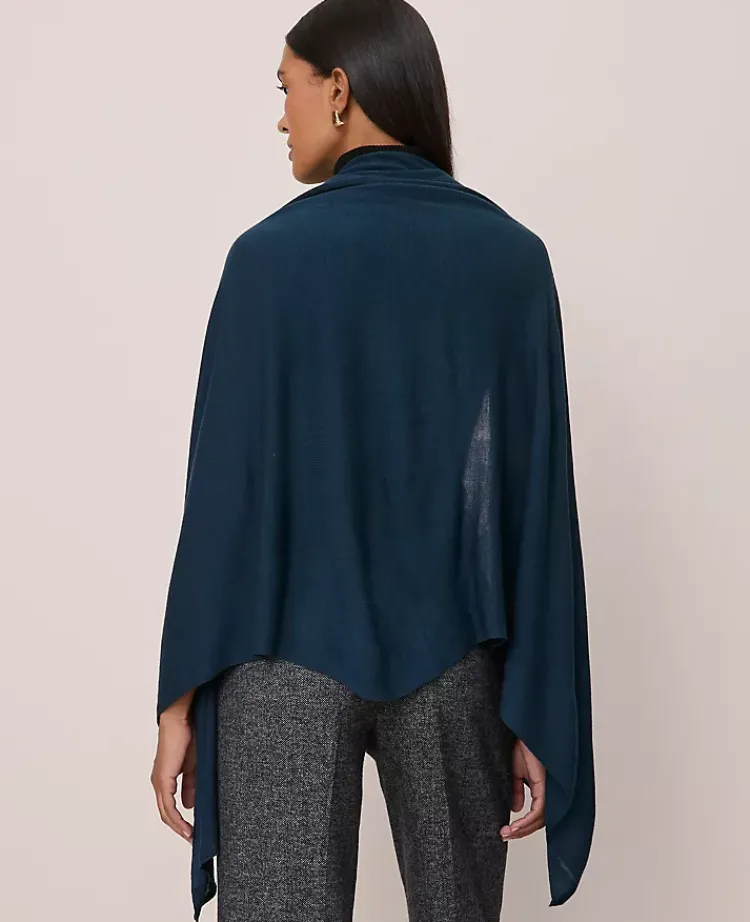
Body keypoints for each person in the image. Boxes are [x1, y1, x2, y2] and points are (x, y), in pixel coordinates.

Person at [150, 1, 596, 920]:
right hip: (455, 660)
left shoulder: (265, 261)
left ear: (340, 90)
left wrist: (177, 702)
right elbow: (533, 504)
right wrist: (539, 704)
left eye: (287, 87)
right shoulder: (512, 262)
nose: (281, 116)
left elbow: (224, 497)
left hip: (281, 653)